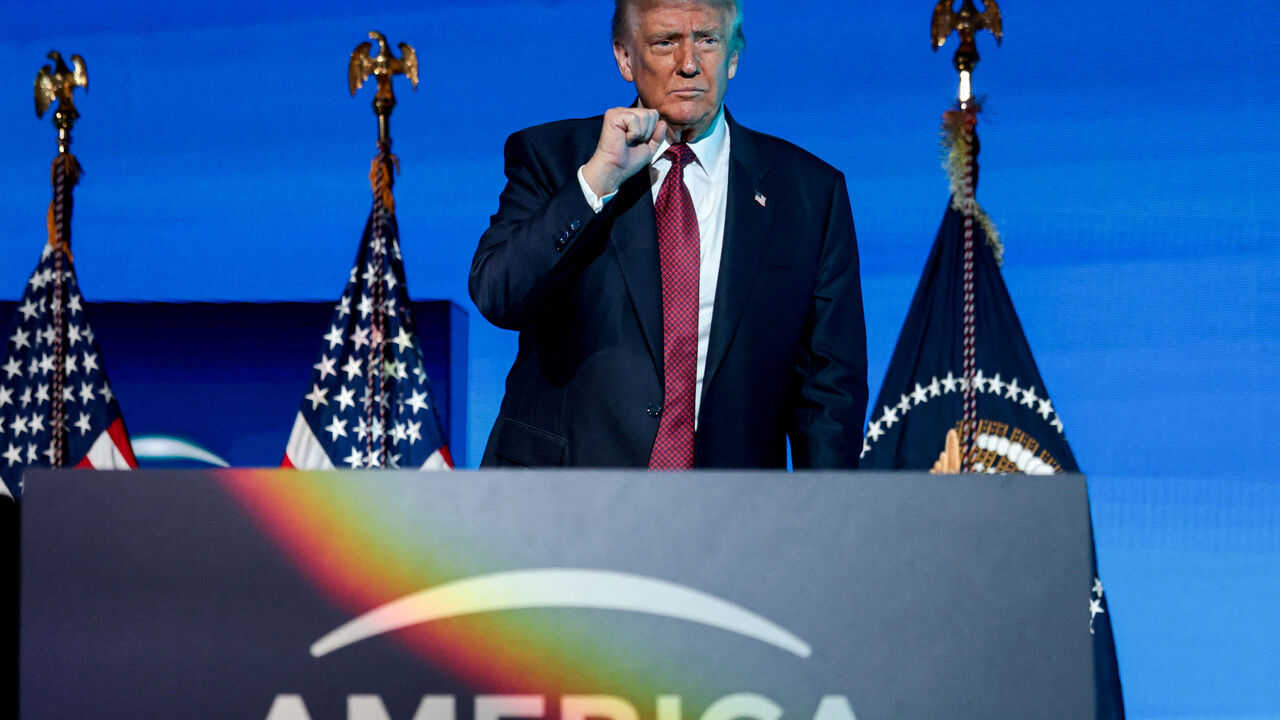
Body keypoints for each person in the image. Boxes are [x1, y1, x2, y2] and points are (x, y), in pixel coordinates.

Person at [470, 0, 867, 469]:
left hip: (730, 511)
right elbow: (500, 295)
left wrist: (823, 521)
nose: (689, 64)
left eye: (708, 40)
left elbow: (830, 388)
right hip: (566, 501)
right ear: (624, 57)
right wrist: (597, 181)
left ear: (734, 56)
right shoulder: (552, 158)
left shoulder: (808, 192)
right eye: (665, 42)